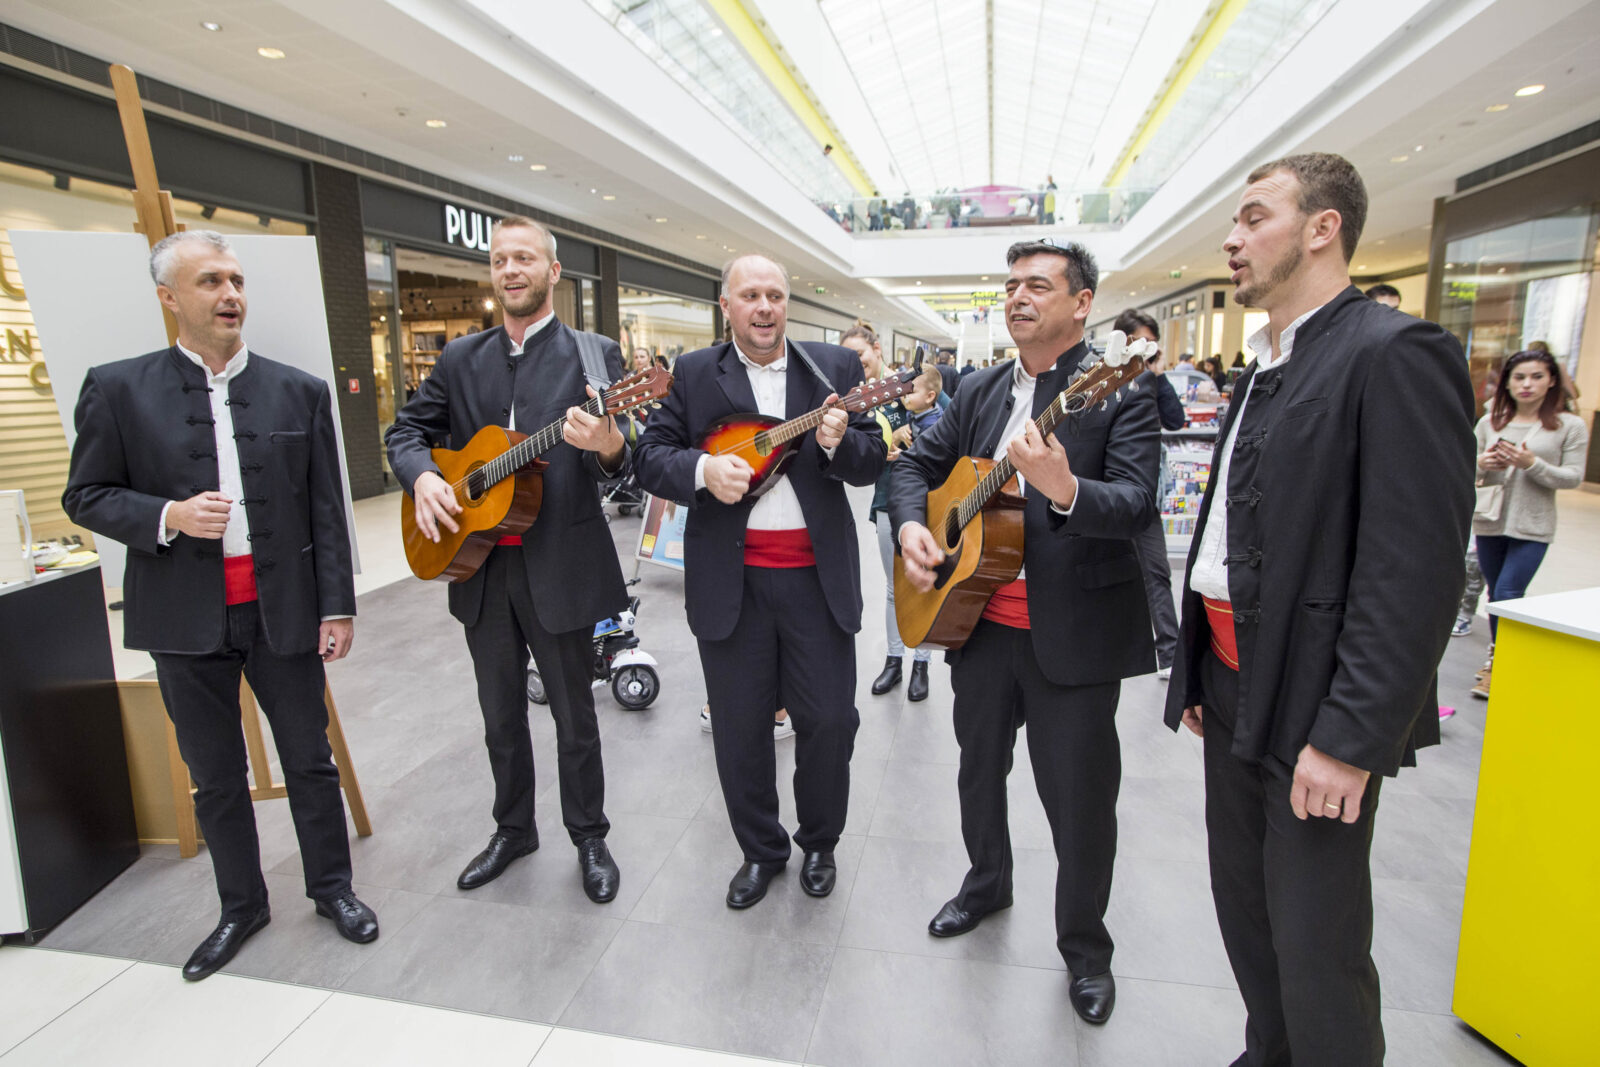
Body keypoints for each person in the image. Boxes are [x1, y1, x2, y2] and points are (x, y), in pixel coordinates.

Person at [1166, 153, 1473, 1065]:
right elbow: (1230, 533)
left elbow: (1414, 569)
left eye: (1254, 216)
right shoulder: (1265, 362)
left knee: (1316, 942)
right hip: (1231, 682)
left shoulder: (1393, 351)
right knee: (1246, 910)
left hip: (1315, 698)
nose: (1232, 238)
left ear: (1322, 226)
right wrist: (1198, 667)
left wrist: (1349, 737)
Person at [62, 230, 378, 981]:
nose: (230, 294)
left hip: (283, 612)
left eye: (235, 280)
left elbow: (326, 511)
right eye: (209, 281)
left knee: (310, 760)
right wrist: (167, 516)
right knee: (215, 775)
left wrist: (337, 606)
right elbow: (86, 494)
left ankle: (333, 888)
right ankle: (242, 905)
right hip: (182, 618)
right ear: (169, 297)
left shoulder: (300, 390)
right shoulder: (117, 388)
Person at [892, 240, 1159, 1027]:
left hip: (1071, 637)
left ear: (1082, 303)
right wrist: (912, 526)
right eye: (1011, 284)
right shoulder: (979, 388)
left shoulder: (1118, 389)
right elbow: (912, 468)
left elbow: (1138, 504)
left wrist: (1066, 487)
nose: (1018, 296)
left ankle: (1086, 947)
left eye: (1038, 284)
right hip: (977, 622)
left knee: (1079, 802)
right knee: (978, 771)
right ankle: (986, 882)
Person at [633, 254, 885, 909]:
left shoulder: (833, 370)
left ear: (787, 303)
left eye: (775, 294)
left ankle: (820, 842)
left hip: (816, 584)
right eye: (750, 295)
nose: (765, 307)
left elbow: (870, 462)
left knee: (830, 722)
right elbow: (649, 457)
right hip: (732, 585)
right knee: (740, 730)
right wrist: (701, 470)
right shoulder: (693, 373)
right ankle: (761, 851)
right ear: (727, 305)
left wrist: (836, 442)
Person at [386, 216, 625, 904]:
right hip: (480, 564)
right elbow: (406, 431)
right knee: (499, 715)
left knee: (575, 718)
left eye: (524, 258)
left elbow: (624, 459)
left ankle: (589, 835)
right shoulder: (460, 358)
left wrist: (607, 443)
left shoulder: (594, 354)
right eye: (499, 260)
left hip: (563, 563)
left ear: (553, 271)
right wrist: (423, 478)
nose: (511, 269)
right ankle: (513, 829)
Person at [1469, 347, 1588, 698]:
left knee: (1508, 593)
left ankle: (1499, 664)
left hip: (1534, 525)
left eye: (1536, 377)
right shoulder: (1489, 422)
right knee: (1495, 594)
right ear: (1506, 382)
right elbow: (1464, 465)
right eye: (1519, 377)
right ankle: (1499, 656)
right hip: (1490, 520)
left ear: (1551, 381)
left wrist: (1531, 464)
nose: (1527, 384)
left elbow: (1573, 477)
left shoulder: (1569, 425)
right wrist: (1483, 462)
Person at [842, 323, 933, 701]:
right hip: (883, 498)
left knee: (923, 585)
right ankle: (894, 661)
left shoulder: (910, 385)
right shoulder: (854, 396)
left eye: (860, 355)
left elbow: (947, 423)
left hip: (924, 502)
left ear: (877, 349)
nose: (856, 363)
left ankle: (922, 663)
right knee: (894, 587)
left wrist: (914, 442)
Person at [1114, 309, 1184, 679]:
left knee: (1156, 570)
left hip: (1143, 494)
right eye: (1139, 341)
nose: (1145, 348)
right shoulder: (1104, 376)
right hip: (1106, 492)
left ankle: (1169, 651)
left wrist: (1156, 374)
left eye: (1151, 343)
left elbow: (1175, 419)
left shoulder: (1153, 378)